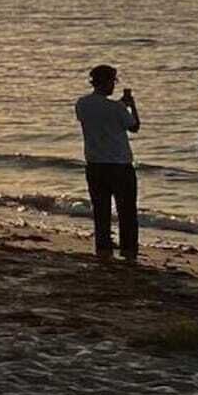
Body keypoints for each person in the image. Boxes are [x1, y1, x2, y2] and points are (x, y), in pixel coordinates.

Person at [74, 64, 141, 263]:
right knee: (127, 211)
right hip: (119, 165)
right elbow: (134, 126)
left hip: (95, 164)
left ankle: (103, 248)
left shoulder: (82, 104)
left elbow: (102, 116)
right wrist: (131, 106)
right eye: (112, 81)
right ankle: (129, 250)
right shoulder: (117, 108)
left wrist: (120, 105)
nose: (113, 85)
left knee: (101, 210)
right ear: (107, 82)